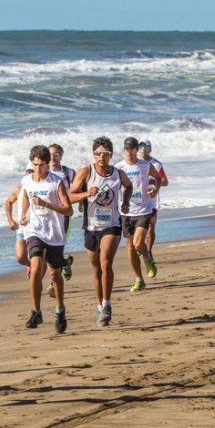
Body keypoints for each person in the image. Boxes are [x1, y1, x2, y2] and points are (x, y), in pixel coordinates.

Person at [70, 138, 132, 326]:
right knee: (96, 269)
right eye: (98, 153)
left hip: (111, 225)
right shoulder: (86, 172)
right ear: (93, 155)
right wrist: (85, 194)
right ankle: (99, 306)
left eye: (105, 154)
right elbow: (69, 196)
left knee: (106, 263)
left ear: (111, 155)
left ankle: (107, 304)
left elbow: (128, 186)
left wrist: (126, 202)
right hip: (91, 227)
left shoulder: (118, 174)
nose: (101, 157)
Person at [18, 145, 74, 333]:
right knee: (35, 268)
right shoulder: (26, 181)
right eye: (35, 165)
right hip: (34, 230)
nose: (38, 169)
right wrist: (24, 213)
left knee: (55, 275)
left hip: (54, 234)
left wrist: (47, 204)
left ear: (47, 165)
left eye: (42, 165)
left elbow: (68, 209)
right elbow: (25, 196)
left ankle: (59, 309)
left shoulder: (56, 182)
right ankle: (36, 311)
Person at [115, 137, 160, 292]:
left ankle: (147, 258)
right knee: (130, 248)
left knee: (138, 243)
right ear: (123, 150)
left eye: (132, 149)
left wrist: (155, 189)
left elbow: (158, 178)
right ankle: (139, 279)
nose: (129, 151)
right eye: (126, 149)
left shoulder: (145, 165)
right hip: (125, 212)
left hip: (143, 210)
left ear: (136, 150)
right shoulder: (118, 167)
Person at [48, 144, 77, 282]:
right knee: (47, 250)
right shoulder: (42, 172)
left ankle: (54, 283)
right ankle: (65, 263)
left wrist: (83, 205)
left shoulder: (69, 172)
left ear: (61, 155)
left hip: (64, 215)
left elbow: (78, 191)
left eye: (56, 154)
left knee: (58, 247)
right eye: (50, 154)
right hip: (46, 215)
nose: (53, 157)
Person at [137, 139, 169, 256]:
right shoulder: (133, 164)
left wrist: (154, 184)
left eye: (146, 146)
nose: (143, 149)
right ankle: (139, 246)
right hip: (137, 201)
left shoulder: (156, 164)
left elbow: (165, 182)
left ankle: (149, 253)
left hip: (152, 201)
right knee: (138, 228)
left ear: (150, 149)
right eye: (140, 146)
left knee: (150, 228)